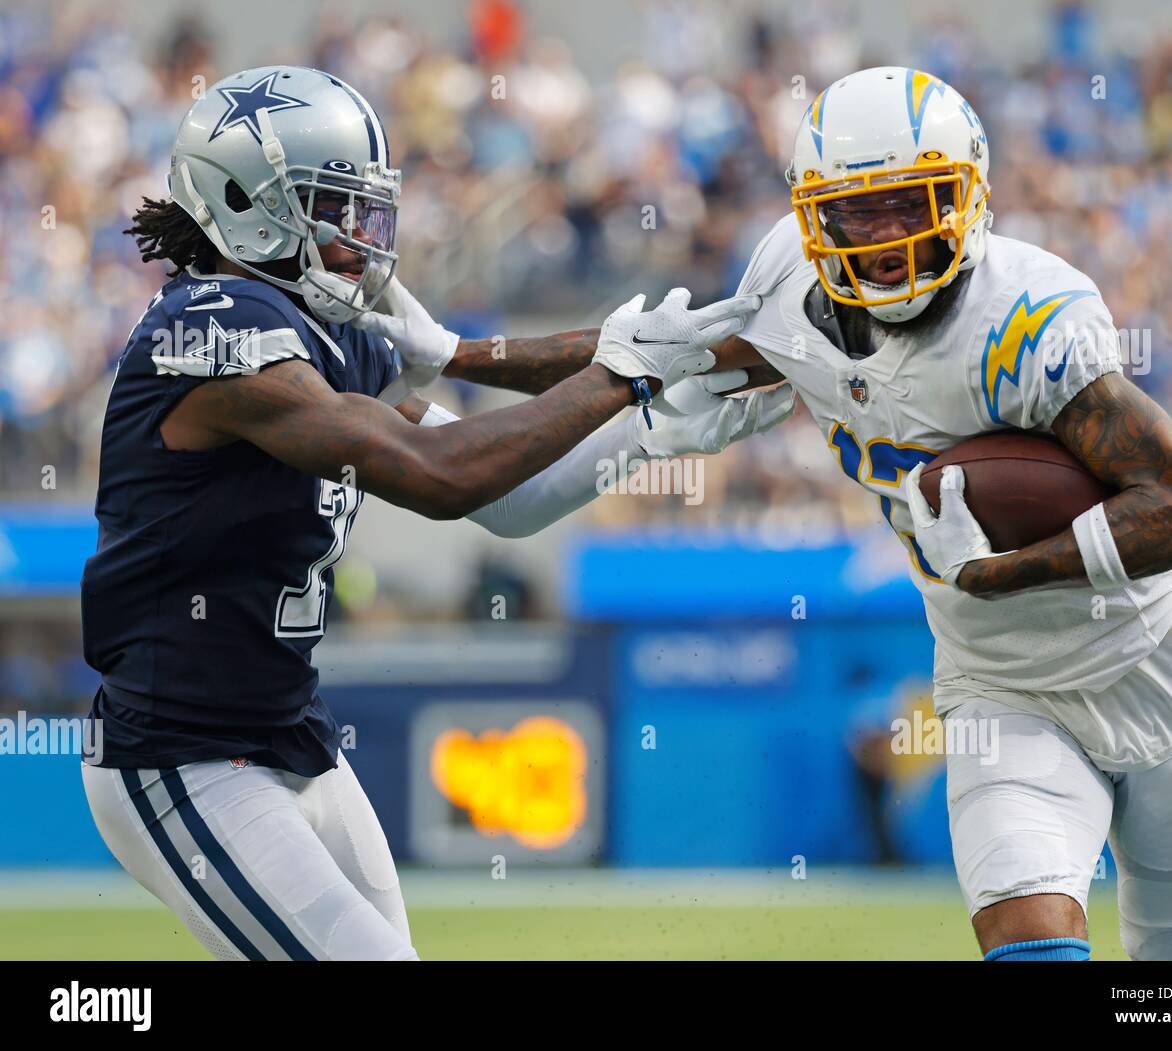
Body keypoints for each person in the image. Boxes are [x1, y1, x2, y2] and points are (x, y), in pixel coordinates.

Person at [79, 65, 794, 961]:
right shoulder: (218, 326)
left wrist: (658, 421)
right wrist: (622, 375)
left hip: (287, 735)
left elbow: (507, 496)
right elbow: (439, 474)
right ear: (245, 201)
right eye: (332, 207)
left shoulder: (313, 328)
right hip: (181, 756)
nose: (358, 237)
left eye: (364, 210)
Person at [713, 67, 1172, 961]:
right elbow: (636, 362)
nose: (881, 238)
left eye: (907, 203)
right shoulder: (789, 298)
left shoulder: (1029, 314)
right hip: (1001, 687)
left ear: (966, 194)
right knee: (1026, 934)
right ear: (814, 217)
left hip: (1156, 661)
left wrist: (1003, 568)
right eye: (855, 212)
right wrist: (462, 354)